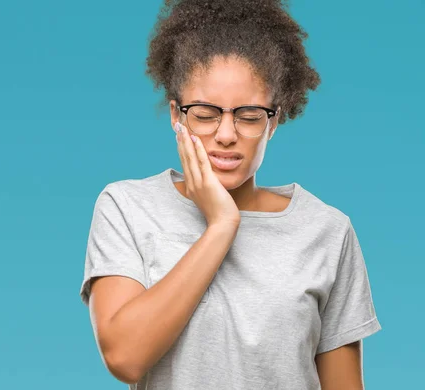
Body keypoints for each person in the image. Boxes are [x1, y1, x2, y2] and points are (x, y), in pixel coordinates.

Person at [79, 0, 382, 389]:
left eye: (249, 115)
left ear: (275, 119)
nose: (225, 134)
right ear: (176, 115)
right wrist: (221, 225)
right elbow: (125, 357)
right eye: (205, 113)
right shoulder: (127, 208)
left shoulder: (327, 231)